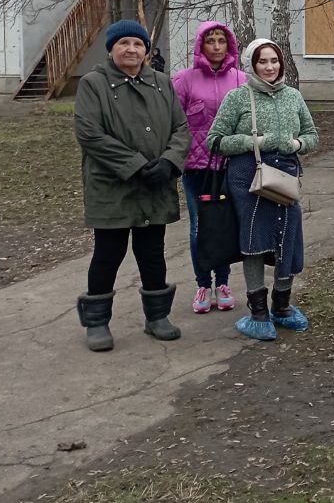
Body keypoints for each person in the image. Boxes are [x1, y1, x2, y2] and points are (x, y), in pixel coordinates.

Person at [73, 19, 191, 352]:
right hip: (112, 186)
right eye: (123, 43)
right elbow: (90, 135)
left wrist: (169, 162)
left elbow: (181, 129)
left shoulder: (161, 83)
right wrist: (137, 166)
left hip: (156, 185)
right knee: (108, 253)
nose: (131, 49)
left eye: (138, 44)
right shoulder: (93, 84)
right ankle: (96, 322)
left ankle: (157, 318)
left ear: (146, 51)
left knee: (152, 253)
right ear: (111, 49)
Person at [207, 38, 318, 341]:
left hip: (285, 177)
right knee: (255, 240)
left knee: (289, 238)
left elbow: (312, 135)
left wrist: (297, 144)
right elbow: (214, 140)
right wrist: (254, 142)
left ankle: (281, 307)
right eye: (262, 62)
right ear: (251, 65)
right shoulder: (238, 97)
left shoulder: (293, 96)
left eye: (274, 61)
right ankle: (258, 313)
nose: (269, 67)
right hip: (248, 178)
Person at [172, 21, 247, 314]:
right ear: (200, 45)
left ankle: (224, 283)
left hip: (230, 167)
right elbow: (175, 124)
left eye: (221, 41)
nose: (216, 47)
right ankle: (203, 283)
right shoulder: (184, 80)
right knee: (200, 227)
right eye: (210, 41)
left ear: (229, 45)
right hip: (196, 168)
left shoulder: (241, 79)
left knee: (224, 225)